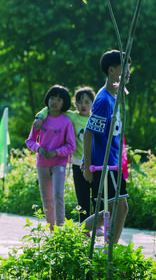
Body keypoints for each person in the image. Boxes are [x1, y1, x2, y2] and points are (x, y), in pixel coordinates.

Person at [82, 50, 130, 243]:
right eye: (124, 67)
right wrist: (88, 165)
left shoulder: (114, 96)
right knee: (120, 208)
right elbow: (89, 133)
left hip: (113, 163)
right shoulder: (103, 100)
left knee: (114, 209)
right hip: (104, 164)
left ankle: (76, 231)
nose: (128, 72)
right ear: (111, 70)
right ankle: (112, 251)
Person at [34, 86, 95, 223]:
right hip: (77, 163)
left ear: (93, 102)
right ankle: (84, 229)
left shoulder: (96, 119)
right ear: (74, 103)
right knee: (82, 198)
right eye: (79, 102)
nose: (83, 105)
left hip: (95, 163)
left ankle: (97, 225)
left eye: (87, 102)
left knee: (97, 196)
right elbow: (50, 109)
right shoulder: (71, 116)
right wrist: (39, 117)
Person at [25, 85, 76, 230]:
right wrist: (38, 148)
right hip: (42, 164)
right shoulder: (40, 120)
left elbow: (71, 146)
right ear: (48, 99)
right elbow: (30, 141)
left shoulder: (66, 121)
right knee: (47, 199)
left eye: (59, 99)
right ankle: (52, 231)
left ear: (64, 103)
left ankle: (61, 230)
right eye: (52, 98)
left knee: (58, 195)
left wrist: (56, 152)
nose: (55, 102)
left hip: (59, 163)